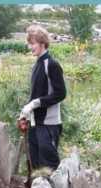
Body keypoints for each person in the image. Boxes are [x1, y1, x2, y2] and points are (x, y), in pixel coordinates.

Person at [19, 25, 66, 171]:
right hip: (36, 123)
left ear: (42, 43)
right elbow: (36, 94)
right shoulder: (37, 64)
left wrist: (34, 103)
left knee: (49, 166)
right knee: (37, 165)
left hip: (49, 124)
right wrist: (25, 114)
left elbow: (60, 93)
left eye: (32, 43)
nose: (30, 47)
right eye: (29, 43)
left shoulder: (51, 65)